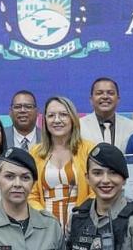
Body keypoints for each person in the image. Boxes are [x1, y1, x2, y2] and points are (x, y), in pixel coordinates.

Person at [29, 96, 95, 229]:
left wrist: (79, 217)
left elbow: (95, 191)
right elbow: (31, 194)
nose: (57, 120)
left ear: (73, 119)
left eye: (63, 115)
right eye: (51, 115)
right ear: (45, 121)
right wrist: (45, 219)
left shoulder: (89, 149)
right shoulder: (35, 152)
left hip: (83, 222)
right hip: (44, 225)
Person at [79, 77, 133, 152]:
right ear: (91, 100)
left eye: (110, 93)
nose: (105, 97)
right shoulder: (79, 127)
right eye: (99, 93)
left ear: (118, 99)